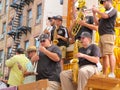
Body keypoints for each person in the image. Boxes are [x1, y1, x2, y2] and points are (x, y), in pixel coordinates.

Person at [92, 0, 117, 77]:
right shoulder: (104, 12)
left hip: (108, 34)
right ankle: (105, 73)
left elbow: (106, 16)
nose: (103, 4)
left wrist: (97, 11)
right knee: (103, 55)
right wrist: (94, 14)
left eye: (104, 2)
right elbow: (97, 23)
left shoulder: (113, 10)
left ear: (109, 2)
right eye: (102, 2)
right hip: (102, 35)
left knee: (110, 53)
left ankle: (112, 72)